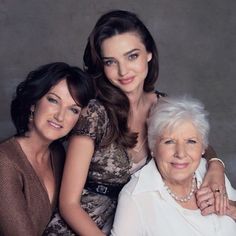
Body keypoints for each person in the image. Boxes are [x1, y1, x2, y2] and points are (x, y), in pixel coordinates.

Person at [59, 10, 226, 235]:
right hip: (88, 224)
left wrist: (216, 166)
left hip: (142, 220)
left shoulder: (162, 105)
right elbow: (69, 205)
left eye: (132, 56)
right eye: (111, 62)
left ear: (148, 53)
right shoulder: (95, 114)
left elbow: (195, 140)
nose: (123, 71)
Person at [111, 96, 236, 235]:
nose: (180, 153)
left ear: (203, 148)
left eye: (191, 141)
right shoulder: (135, 197)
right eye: (169, 141)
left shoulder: (212, 175)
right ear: (153, 147)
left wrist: (230, 208)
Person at [0, 62, 94, 236]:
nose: (60, 116)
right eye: (53, 100)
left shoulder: (57, 153)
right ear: (34, 103)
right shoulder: (4, 162)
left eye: (73, 110)